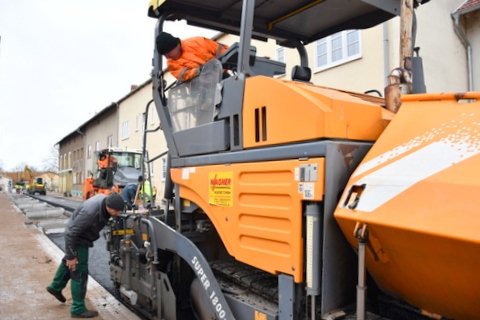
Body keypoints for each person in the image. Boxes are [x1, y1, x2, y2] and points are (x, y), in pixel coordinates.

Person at [46, 193, 125, 318]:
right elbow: (70, 234)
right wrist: (71, 256)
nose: (119, 213)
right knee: (79, 272)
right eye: (117, 211)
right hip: (77, 240)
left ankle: (55, 286)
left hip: (82, 235)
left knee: (70, 264)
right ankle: (77, 308)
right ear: (108, 207)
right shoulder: (90, 214)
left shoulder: (105, 200)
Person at [156, 32, 229, 82]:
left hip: (223, 77)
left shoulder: (197, 42)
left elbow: (222, 50)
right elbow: (184, 76)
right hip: (203, 91)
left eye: (167, 54)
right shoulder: (172, 65)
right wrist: (198, 70)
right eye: (165, 55)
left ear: (174, 46)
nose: (167, 57)